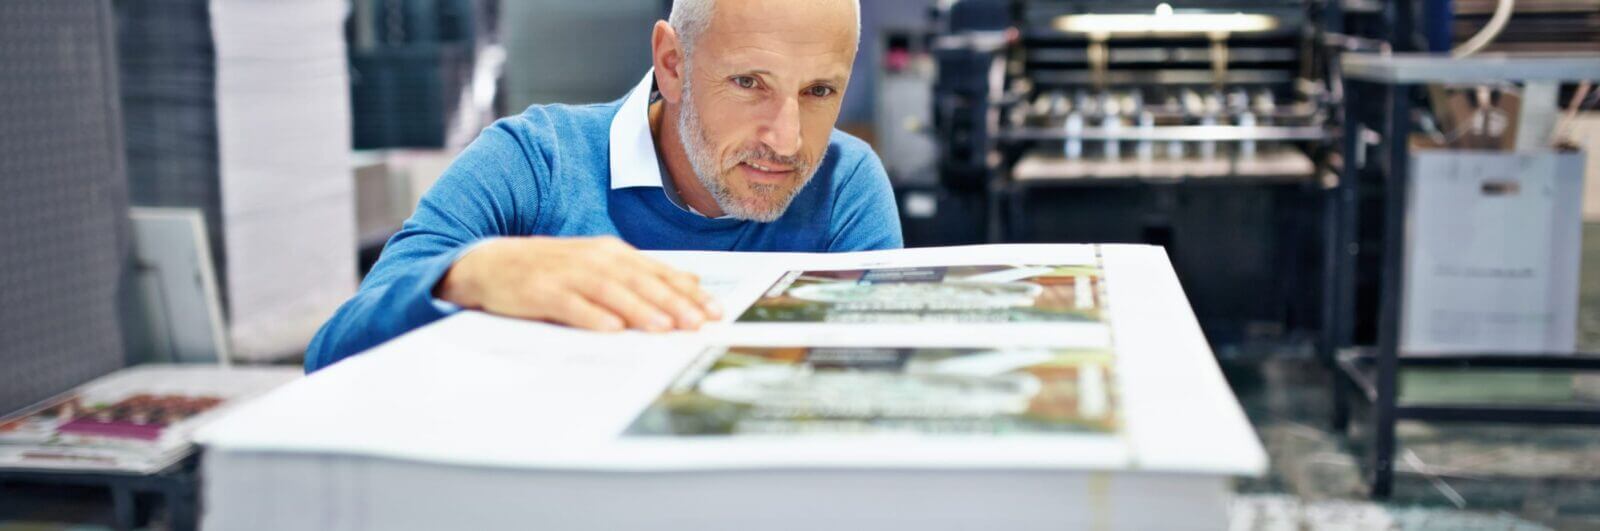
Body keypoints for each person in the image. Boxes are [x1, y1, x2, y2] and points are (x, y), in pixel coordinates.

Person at [305, 0, 901, 372]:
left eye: (819, 91)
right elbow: (332, 354)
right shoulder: (534, 164)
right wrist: (474, 276)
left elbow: (883, 386)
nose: (787, 141)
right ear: (673, 64)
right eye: (749, 82)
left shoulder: (844, 184)